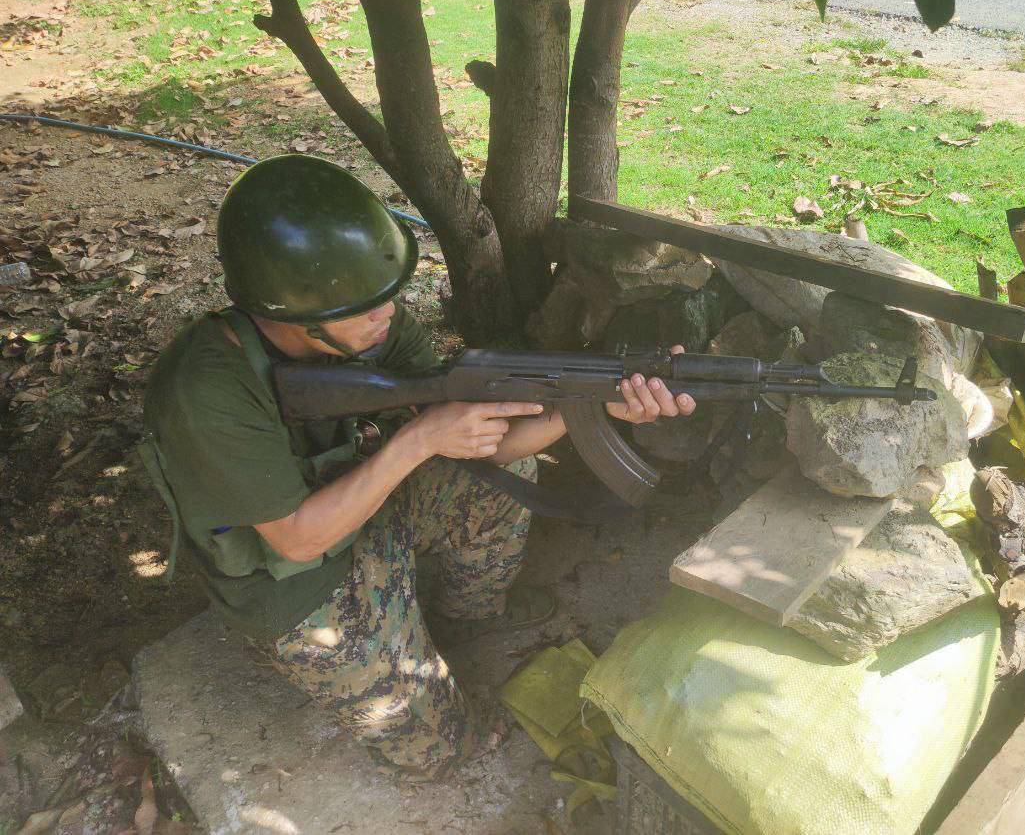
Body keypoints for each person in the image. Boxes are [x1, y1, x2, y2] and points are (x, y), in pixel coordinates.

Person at [139, 154, 696, 778]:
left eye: (387, 295)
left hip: (370, 503)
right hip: (294, 583)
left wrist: (593, 407)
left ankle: (468, 618)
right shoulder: (207, 393)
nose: (389, 312)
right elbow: (299, 540)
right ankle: (428, 714)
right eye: (366, 305)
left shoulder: (373, 327)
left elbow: (489, 446)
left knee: (514, 479)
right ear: (290, 311)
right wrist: (421, 439)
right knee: (433, 750)